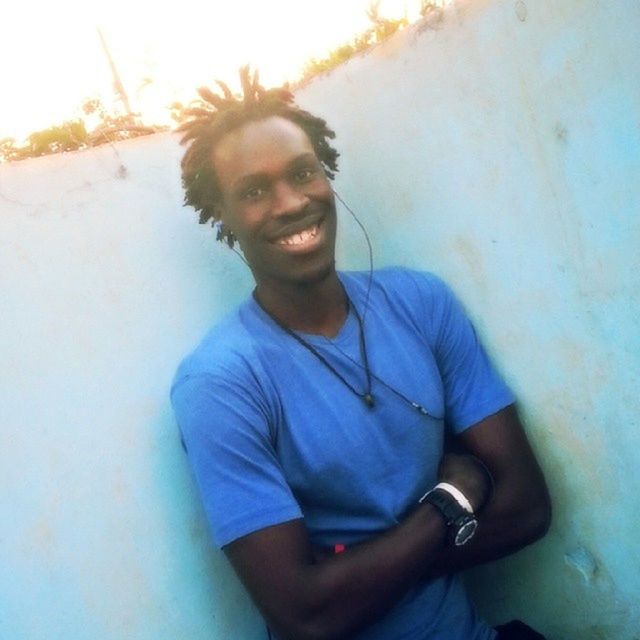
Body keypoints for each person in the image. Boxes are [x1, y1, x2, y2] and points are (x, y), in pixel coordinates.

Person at [171, 68, 551, 640]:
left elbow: (526, 507)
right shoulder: (221, 383)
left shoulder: (421, 303)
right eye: (253, 191)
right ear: (221, 214)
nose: (291, 202)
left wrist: (357, 577)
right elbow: (304, 617)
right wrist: (451, 503)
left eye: (303, 173)